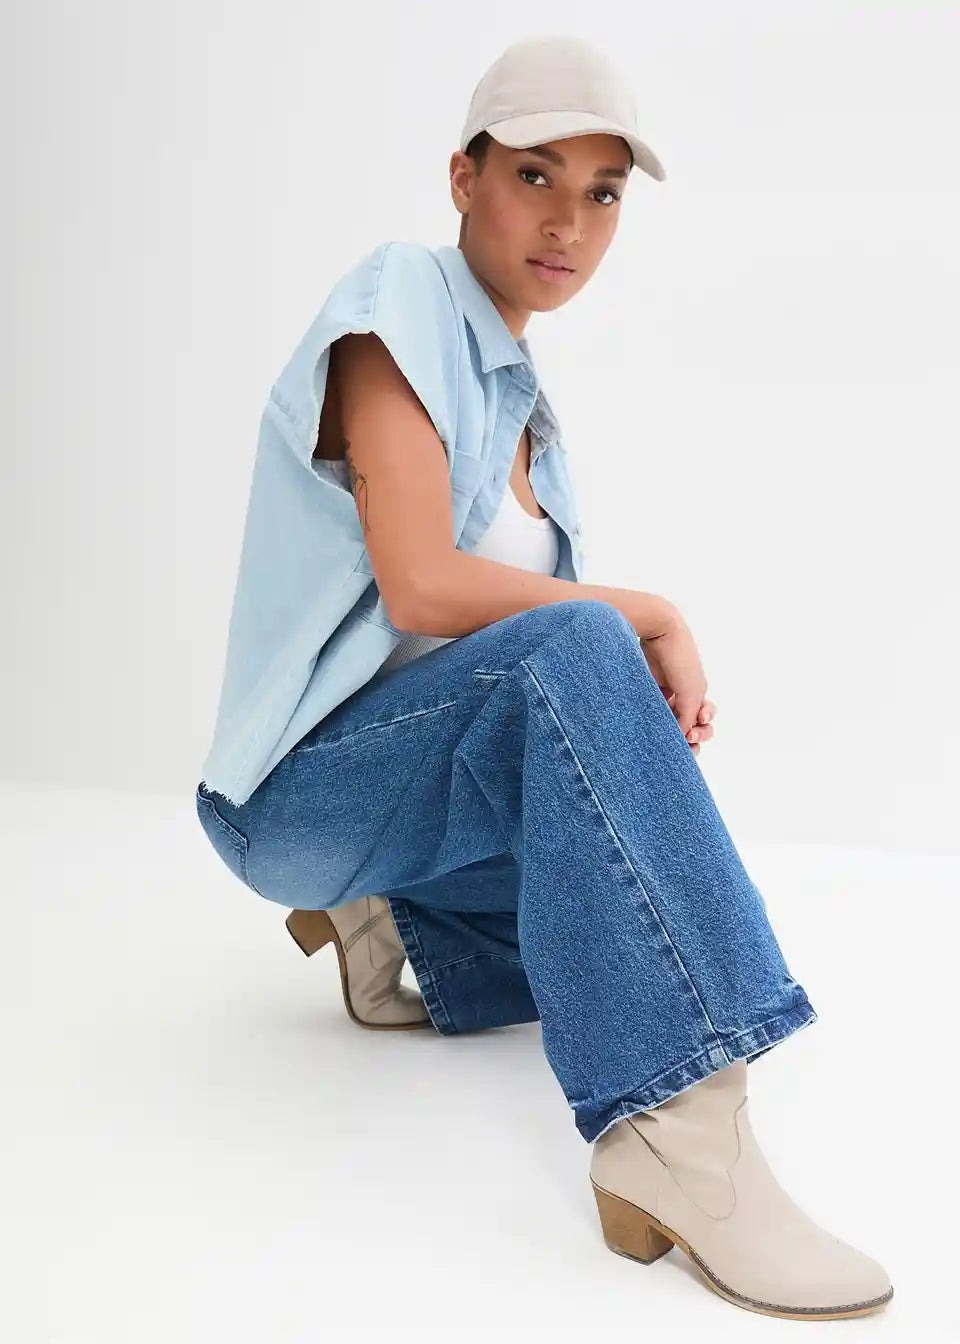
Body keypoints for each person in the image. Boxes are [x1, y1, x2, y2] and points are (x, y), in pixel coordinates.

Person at [194, 35, 894, 1321]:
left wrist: (616, 743)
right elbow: (422, 585)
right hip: (295, 799)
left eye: (603, 192)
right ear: (464, 178)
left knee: (607, 912)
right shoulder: (398, 299)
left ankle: (394, 922)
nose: (570, 221)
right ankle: (685, 1139)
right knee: (583, 648)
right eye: (534, 176)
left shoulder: (531, 419)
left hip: (414, 808)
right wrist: (646, 617)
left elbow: (503, 693)